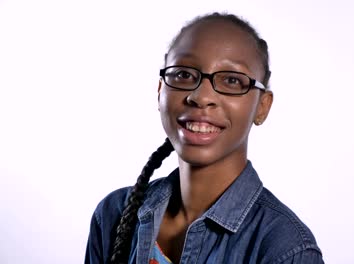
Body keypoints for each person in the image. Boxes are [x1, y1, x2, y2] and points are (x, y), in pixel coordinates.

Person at [85, 12, 324, 264]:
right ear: (160, 91)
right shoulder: (113, 215)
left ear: (262, 106)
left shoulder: (286, 249)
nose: (200, 96)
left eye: (232, 80)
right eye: (184, 74)